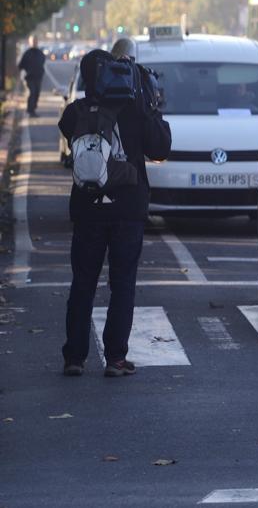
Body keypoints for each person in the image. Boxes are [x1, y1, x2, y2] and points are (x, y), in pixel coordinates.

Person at [58, 48, 171, 377]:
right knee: (122, 284)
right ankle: (116, 358)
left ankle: (75, 357)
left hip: (87, 208)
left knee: (83, 282)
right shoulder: (136, 109)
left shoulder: (75, 113)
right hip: (128, 208)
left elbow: (70, 136)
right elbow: (160, 147)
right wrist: (149, 104)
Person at [19, 36, 46, 116]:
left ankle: (33, 109)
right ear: (30, 42)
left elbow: (43, 62)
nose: (34, 42)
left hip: (38, 77)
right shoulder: (26, 53)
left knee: (37, 93)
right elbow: (21, 65)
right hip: (29, 77)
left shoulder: (40, 53)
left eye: (35, 41)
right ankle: (30, 110)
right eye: (33, 41)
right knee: (32, 92)